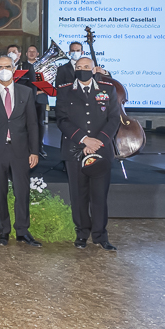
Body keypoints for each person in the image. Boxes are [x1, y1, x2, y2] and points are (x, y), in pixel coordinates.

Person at [55, 57, 120, 251]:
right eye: (78, 67)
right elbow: (62, 120)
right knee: (78, 195)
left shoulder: (108, 89)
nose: (82, 69)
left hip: (101, 149)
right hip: (75, 150)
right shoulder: (65, 91)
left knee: (99, 195)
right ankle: (82, 233)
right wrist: (84, 140)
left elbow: (114, 119)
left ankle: (100, 236)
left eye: (86, 67)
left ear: (94, 70)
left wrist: (97, 141)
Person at [0, 56, 41, 248]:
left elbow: (32, 124)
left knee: (22, 191)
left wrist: (34, 151)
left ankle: (22, 230)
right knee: (0, 191)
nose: (4, 69)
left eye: (7, 66)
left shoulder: (26, 92)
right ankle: (3, 231)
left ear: (14, 69)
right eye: (0, 67)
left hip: (20, 150)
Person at [26, 44, 48, 156]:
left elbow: (49, 82)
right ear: (26, 54)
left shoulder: (44, 66)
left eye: (34, 51)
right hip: (26, 99)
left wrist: (39, 92)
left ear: (37, 54)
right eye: (29, 51)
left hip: (40, 98)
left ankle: (39, 147)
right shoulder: (22, 66)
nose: (31, 53)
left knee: (40, 123)